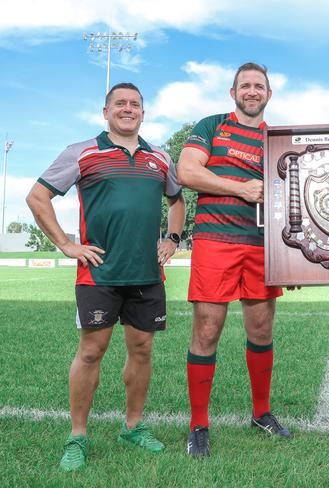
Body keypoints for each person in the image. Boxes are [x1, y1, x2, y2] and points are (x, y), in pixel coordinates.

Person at [26, 82, 186, 472]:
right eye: (120, 104)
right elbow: (37, 196)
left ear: (143, 113)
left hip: (147, 273)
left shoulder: (161, 157)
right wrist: (67, 244)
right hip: (99, 273)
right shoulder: (83, 152)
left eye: (135, 104)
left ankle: (132, 426)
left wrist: (173, 237)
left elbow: (177, 200)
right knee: (91, 351)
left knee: (143, 349)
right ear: (106, 111)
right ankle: (77, 436)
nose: (127, 109)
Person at [177, 62, 290, 458]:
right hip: (215, 241)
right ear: (233, 92)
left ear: (269, 94)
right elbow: (187, 171)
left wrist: (294, 257)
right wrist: (240, 188)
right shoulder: (211, 126)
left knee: (261, 328)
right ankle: (198, 425)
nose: (252, 91)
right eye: (245, 85)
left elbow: (292, 196)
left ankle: (261, 413)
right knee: (207, 330)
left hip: (262, 246)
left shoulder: (278, 138)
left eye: (260, 85)